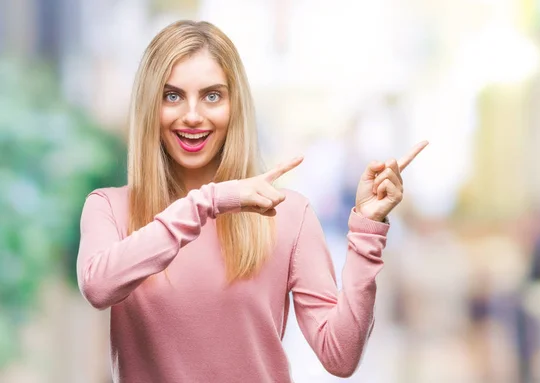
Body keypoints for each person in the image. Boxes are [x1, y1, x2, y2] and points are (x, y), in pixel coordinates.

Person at [76, 20, 428, 383]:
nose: (193, 115)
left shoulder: (289, 214)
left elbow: (340, 355)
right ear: (150, 105)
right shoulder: (109, 209)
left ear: (235, 106)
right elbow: (98, 286)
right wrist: (212, 200)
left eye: (212, 95)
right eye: (172, 95)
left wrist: (367, 233)